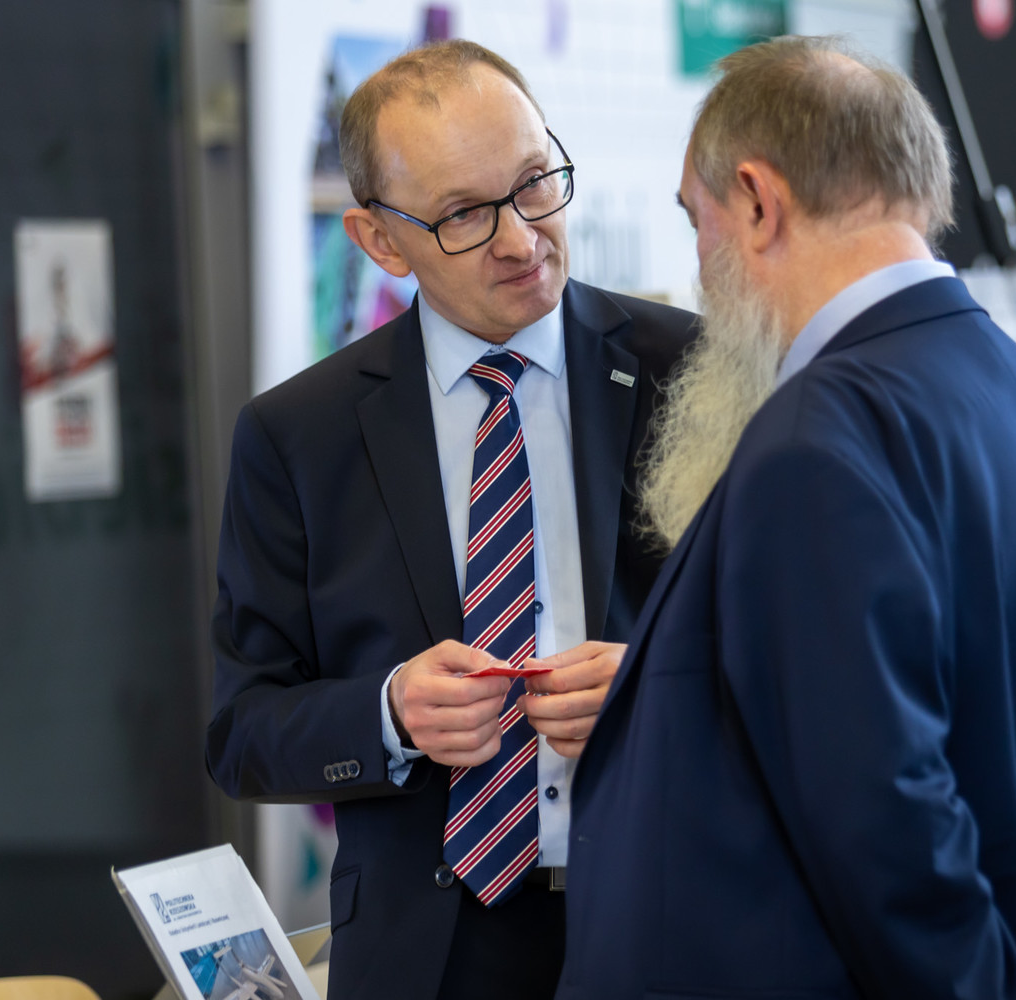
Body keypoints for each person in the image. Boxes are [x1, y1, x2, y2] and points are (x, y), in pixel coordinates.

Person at [557, 37, 1016, 1000]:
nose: (700, 268)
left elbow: (889, 839)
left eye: (695, 220)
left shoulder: (812, 444)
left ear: (757, 201)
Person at [205, 41, 697, 1000]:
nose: (520, 238)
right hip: (426, 953)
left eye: (535, 184)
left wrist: (655, 687)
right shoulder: (298, 435)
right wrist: (389, 712)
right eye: (466, 214)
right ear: (379, 242)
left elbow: (794, 658)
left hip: (663, 919)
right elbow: (242, 732)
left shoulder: (692, 372)